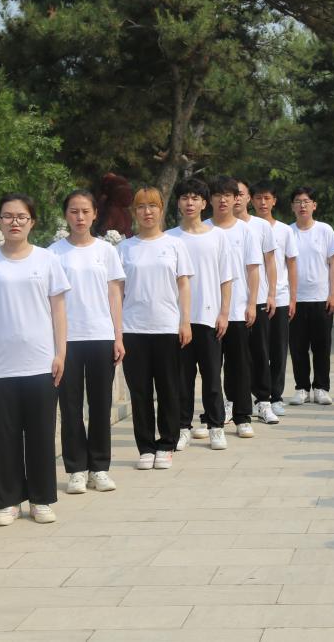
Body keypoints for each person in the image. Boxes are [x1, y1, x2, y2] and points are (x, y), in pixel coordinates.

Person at [0, 193, 70, 527]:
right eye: (7, 216)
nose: (14, 222)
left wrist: (61, 352)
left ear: (32, 222)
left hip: (40, 360)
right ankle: (8, 501)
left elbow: (58, 310)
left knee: (41, 434)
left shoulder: (47, 260)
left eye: (21, 217)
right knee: (4, 435)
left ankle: (41, 499)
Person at [49, 190, 125, 495]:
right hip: (66, 339)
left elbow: (114, 294)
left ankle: (99, 468)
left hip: (100, 335)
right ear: (65, 215)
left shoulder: (106, 251)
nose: (79, 217)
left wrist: (118, 336)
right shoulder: (53, 253)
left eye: (85, 211)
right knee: (70, 407)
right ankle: (76, 469)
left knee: (100, 404)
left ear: (94, 214)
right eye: (73, 211)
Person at [118, 187, 194, 471]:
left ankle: (167, 444)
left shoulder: (174, 245)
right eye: (141, 207)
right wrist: (117, 331)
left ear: (161, 210)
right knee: (139, 392)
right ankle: (146, 447)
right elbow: (117, 292)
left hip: (166, 327)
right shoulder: (124, 248)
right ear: (134, 212)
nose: (147, 212)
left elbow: (184, 285)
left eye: (152, 206)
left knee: (168, 389)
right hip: (133, 328)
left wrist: (185, 321)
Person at [168, 178, 234, 451]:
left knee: (212, 377)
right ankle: (182, 427)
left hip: (208, 317)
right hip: (177, 321)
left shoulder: (217, 236)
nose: (190, 203)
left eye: (195, 198)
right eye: (185, 198)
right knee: (181, 379)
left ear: (204, 203)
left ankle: (216, 427)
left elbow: (226, 278)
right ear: (178, 203)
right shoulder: (169, 237)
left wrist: (224, 313)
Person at [205, 176, 262, 438]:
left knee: (239, 366)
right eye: (218, 195)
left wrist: (252, 303)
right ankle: (213, 417)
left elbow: (253, 270)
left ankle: (242, 416)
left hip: (238, 309)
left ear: (236, 198)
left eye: (228, 195)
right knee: (210, 368)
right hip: (207, 312)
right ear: (210, 199)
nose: (223, 200)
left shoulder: (245, 231)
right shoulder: (203, 229)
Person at [288, 187, 334, 405]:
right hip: (295, 299)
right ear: (292, 206)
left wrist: (333, 293)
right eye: (298, 201)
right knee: (297, 347)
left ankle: (321, 387)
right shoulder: (287, 232)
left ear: (314, 205)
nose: (302, 205)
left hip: (321, 298)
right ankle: (301, 387)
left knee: (322, 346)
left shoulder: (325, 230)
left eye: (306, 201)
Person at [251, 181, 299, 418]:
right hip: (255, 298)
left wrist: (293, 298)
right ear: (251, 200)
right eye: (258, 198)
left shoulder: (284, 230)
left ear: (274, 201)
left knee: (278, 349)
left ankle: (276, 396)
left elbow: (292, 264)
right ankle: (257, 396)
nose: (262, 202)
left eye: (267, 198)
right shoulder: (247, 227)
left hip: (279, 296)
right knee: (256, 350)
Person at [235, 179, 280, 424]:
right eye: (231, 194)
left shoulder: (261, 226)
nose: (236, 198)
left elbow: (270, 262)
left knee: (260, 353)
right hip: (228, 303)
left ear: (248, 198)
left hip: (258, 298)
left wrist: (271, 294)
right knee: (233, 357)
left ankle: (264, 401)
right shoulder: (214, 227)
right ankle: (232, 401)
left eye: (240, 194)